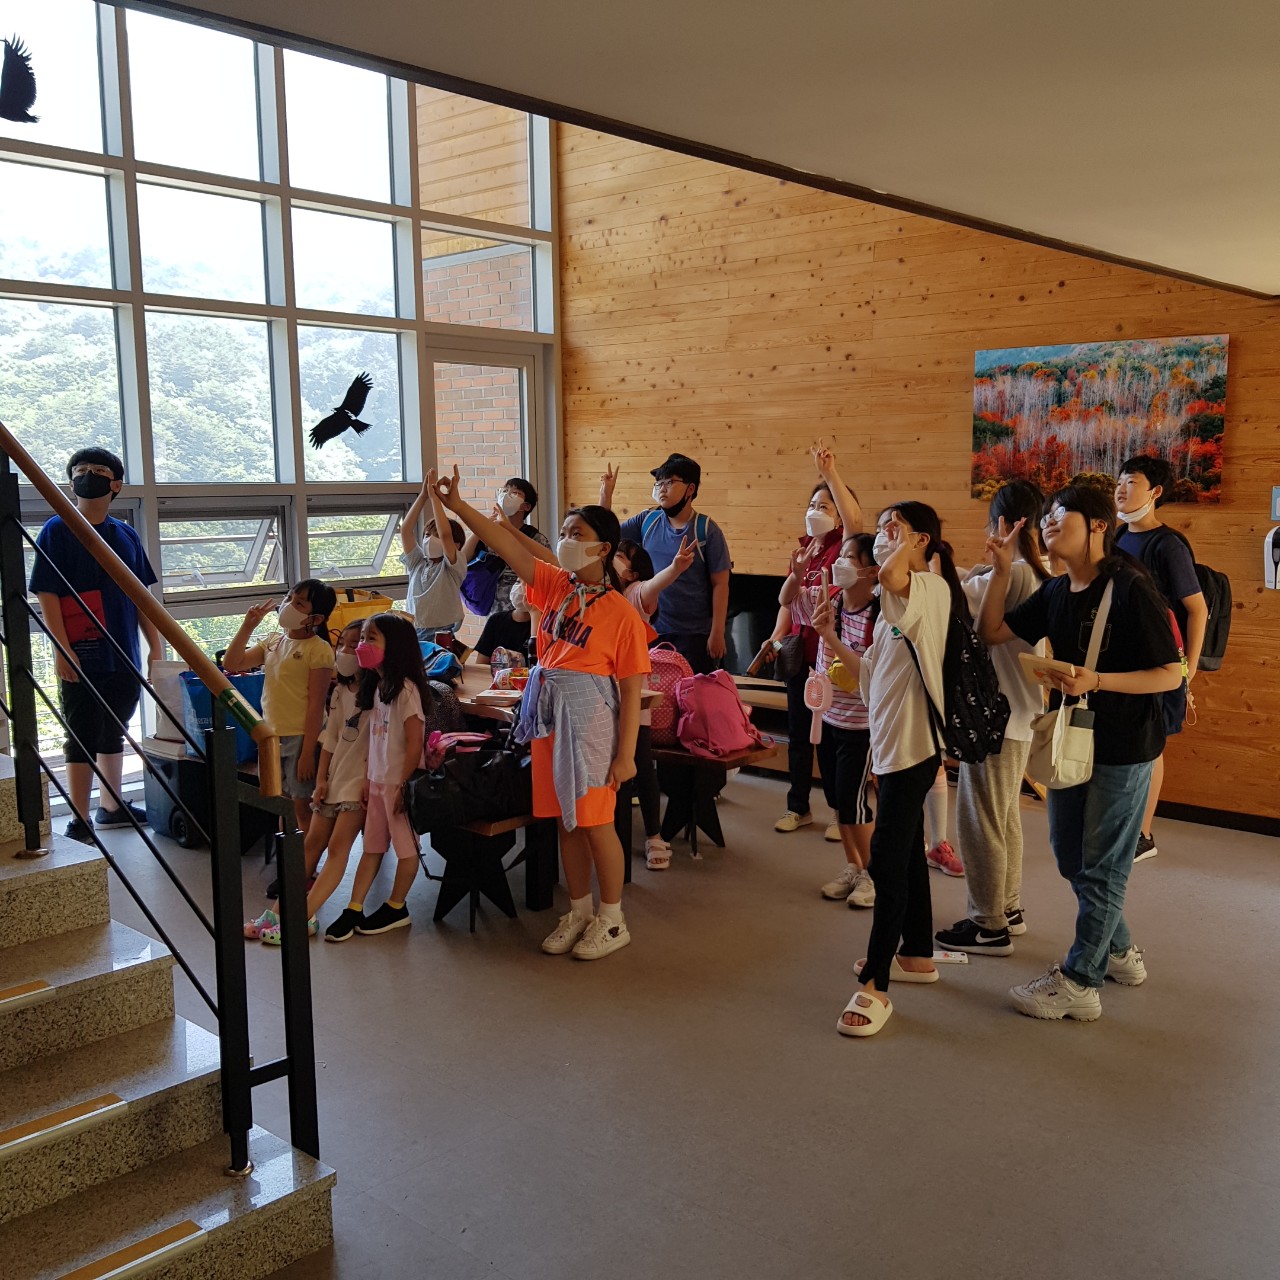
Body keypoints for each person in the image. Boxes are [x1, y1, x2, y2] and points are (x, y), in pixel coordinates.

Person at [977, 486, 1182, 1021]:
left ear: (1097, 525)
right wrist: (1001, 570)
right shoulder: (1056, 591)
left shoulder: (1131, 586)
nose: (1048, 521)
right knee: (1071, 856)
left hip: (1125, 744)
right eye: (1045, 515)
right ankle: (1120, 951)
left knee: (1104, 865)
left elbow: (1170, 673)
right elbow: (991, 632)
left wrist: (1097, 680)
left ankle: (1081, 981)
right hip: (1072, 737)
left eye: (1060, 513)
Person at [439, 466, 650, 960]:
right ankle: (578, 910)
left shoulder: (621, 613)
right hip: (550, 713)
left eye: (577, 534)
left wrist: (626, 755)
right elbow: (506, 545)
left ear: (604, 549)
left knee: (596, 822)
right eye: (563, 532)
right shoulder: (556, 585)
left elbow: (631, 690)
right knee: (565, 822)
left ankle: (612, 919)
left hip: (590, 719)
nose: (566, 540)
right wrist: (459, 507)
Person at [828, 502, 956, 1037]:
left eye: (893, 530)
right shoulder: (891, 605)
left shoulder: (929, 587)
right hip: (890, 745)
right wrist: (829, 636)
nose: (882, 539)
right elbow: (870, 677)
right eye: (881, 530)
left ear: (921, 540)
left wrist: (895, 550)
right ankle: (918, 954)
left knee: (885, 857)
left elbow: (888, 574)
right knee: (903, 852)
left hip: (914, 747)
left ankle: (876, 984)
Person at [936, 481, 1050, 956]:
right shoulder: (1040, 571)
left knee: (979, 819)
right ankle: (1008, 907)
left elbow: (952, 594)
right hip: (1021, 713)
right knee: (1002, 815)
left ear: (1005, 524)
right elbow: (974, 580)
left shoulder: (1014, 576)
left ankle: (988, 923)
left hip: (996, 717)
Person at [30, 448, 162, 844]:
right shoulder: (57, 529)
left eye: (99, 470)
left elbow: (141, 595)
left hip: (123, 651)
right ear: (70, 481)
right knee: (81, 732)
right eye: (81, 470)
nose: (88, 475)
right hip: (82, 651)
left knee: (114, 728)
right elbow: (47, 593)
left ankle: (111, 806)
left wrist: (155, 648)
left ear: (116, 484)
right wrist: (61, 649)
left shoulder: (126, 534)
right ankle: (79, 819)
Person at [328, 611, 463, 937]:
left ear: (395, 647)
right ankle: (354, 908)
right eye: (362, 638)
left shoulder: (406, 690)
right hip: (377, 782)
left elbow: (415, 742)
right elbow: (377, 742)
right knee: (373, 846)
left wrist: (402, 784)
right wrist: (367, 779)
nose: (362, 645)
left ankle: (396, 906)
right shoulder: (380, 688)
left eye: (370, 638)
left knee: (406, 848)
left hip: (399, 785)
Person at [244, 622, 370, 944]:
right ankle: (278, 912)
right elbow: (330, 740)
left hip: (362, 782)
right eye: (344, 643)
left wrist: (368, 779)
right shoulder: (340, 692)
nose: (347, 651)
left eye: (358, 643)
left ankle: (301, 918)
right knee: (311, 843)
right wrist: (322, 778)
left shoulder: (382, 695)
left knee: (338, 849)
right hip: (336, 778)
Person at [1114, 455, 1207, 863]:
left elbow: (1197, 609)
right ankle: (1121, 827)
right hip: (1121, 662)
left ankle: (1143, 835)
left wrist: (1189, 670)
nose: (1121, 489)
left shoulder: (1168, 545)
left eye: (1131, 482)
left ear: (1154, 492)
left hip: (1160, 662)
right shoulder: (1118, 536)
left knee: (1151, 748)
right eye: (1119, 481)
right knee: (1127, 743)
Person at [769, 450, 860, 835]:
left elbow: (855, 520)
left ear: (838, 515)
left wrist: (830, 473)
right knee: (800, 736)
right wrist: (777, 634)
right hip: (800, 655)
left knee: (832, 740)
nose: (815, 510)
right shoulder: (804, 548)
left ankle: (840, 813)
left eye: (824, 505)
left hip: (834, 658)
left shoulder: (847, 546)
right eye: (811, 504)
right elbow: (786, 600)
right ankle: (798, 807)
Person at [224, 579, 337, 840]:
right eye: (289, 598)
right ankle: (289, 857)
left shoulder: (318, 650)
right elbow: (232, 663)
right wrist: (248, 626)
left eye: (300, 603)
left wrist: (307, 752)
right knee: (282, 802)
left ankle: (305, 860)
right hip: (271, 736)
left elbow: (316, 704)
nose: (289, 605)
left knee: (301, 805)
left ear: (316, 618)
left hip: (301, 736)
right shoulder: (273, 641)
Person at [800, 530, 878, 909]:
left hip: (859, 725)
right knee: (835, 798)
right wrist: (797, 574)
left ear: (872, 571)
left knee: (853, 800)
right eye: (840, 556)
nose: (840, 563)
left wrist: (830, 638)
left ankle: (874, 875)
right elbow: (787, 600)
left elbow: (866, 674)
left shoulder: (879, 615)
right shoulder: (830, 599)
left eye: (850, 558)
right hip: (826, 716)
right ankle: (854, 866)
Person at [601, 454, 731, 674]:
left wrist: (717, 632)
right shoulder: (647, 519)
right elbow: (607, 535)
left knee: (691, 693)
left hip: (694, 634)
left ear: (690, 489)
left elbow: (721, 584)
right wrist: (606, 495)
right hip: (651, 630)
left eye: (669, 482)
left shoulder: (706, 529)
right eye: (658, 483)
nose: (661, 489)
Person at [614, 534, 696, 869]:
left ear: (633, 573)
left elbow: (653, 585)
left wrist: (674, 569)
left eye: (622, 555)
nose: (614, 556)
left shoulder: (635, 593)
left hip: (636, 692)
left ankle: (653, 835)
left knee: (642, 765)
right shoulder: (597, 590)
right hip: (599, 691)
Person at [460, 477, 552, 616]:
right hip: (493, 611)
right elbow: (462, 559)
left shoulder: (535, 538)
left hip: (524, 612)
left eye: (514, 492)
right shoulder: (489, 533)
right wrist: (481, 528)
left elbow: (548, 572)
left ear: (526, 506)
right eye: (504, 490)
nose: (506, 495)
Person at [400, 474, 467, 643]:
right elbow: (406, 531)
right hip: (414, 628)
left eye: (436, 535)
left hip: (442, 631)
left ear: (456, 545)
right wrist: (423, 496)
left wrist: (435, 498)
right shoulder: (418, 563)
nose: (429, 539)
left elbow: (446, 535)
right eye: (427, 534)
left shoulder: (452, 566)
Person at [472, 578, 534, 667]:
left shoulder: (542, 626)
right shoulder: (496, 620)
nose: (520, 588)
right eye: (518, 582)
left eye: (528, 585)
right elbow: (481, 663)